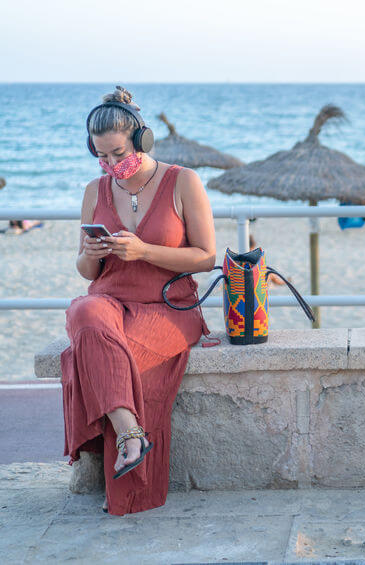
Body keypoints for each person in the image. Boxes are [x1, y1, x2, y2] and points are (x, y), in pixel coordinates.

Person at [62, 86, 215, 516]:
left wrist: (144, 251)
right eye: (100, 156)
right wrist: (89, 256)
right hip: (110, 301)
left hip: (168, 307)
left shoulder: (183, 181)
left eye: (116, 153)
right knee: (83, 310)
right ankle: (131, 434)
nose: (111, 164)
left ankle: (133, 486)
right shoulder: (95, 190)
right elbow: (87, 273)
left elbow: (205, 257)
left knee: (120, 355)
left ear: (142, 141)